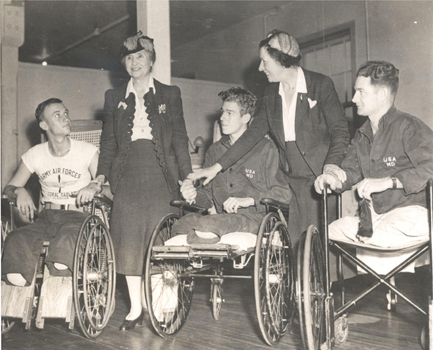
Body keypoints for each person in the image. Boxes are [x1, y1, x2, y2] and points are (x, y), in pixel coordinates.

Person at [187, 30, 349, 245]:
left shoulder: (320, 84)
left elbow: (340, 131)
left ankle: (327, 281)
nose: (260, 68)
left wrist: (330, 166)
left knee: (322, 246)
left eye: (265, 61)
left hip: (318, 178)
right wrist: (216, 167)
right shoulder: (272, 93)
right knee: (296, 247)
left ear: (281, 59)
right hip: (289, 179)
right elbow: (252, 135)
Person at [93, 32, 192, 331]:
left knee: (163, 242)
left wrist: (187, 178)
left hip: (162, 175)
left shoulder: (170, 93)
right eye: (128, 58)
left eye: (140, 56)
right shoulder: (114, 97)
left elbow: (178, 139)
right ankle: (135, 309)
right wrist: (101, 176)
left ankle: (165, 306)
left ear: (151, 60)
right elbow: (108, 143)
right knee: (129, 243)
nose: (134, 62)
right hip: (127, 177)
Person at [315, 61, 433, 274]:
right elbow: (350, 171)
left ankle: (391, 282)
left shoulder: (408, 126)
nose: (353, 99)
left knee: (379, 234)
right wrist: (333, 178)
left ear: (382, 94)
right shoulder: (362, 134)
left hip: (412, 213)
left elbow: (431, 167)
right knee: (331, 230)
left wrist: (390, 181)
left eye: (361, 92)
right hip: (376, 217)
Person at [2, 98, 100, 287]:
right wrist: (19, 191)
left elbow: (107, 187)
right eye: (58, 115)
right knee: (16, 238)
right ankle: (24, 304)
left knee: (66, 245)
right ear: (44, 124)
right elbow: (9, 188)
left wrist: (94, 186)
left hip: (78, 217)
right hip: (46, 217)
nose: (66, 118)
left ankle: (57, 298)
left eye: (66, 113)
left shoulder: (88, 151)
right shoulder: (35, 154)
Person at [175, 87, 292, 243]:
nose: (222, 118)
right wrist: (193, 195)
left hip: (255, 219)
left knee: (208, 223)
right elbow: (208, 195)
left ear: (246, 118)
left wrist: (249, 200)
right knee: (181, 224)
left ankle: (197, 245)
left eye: (230, 113)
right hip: (222, 219)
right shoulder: (215, 150)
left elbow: (283, 193)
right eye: (222, 112)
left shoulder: (266, 149)